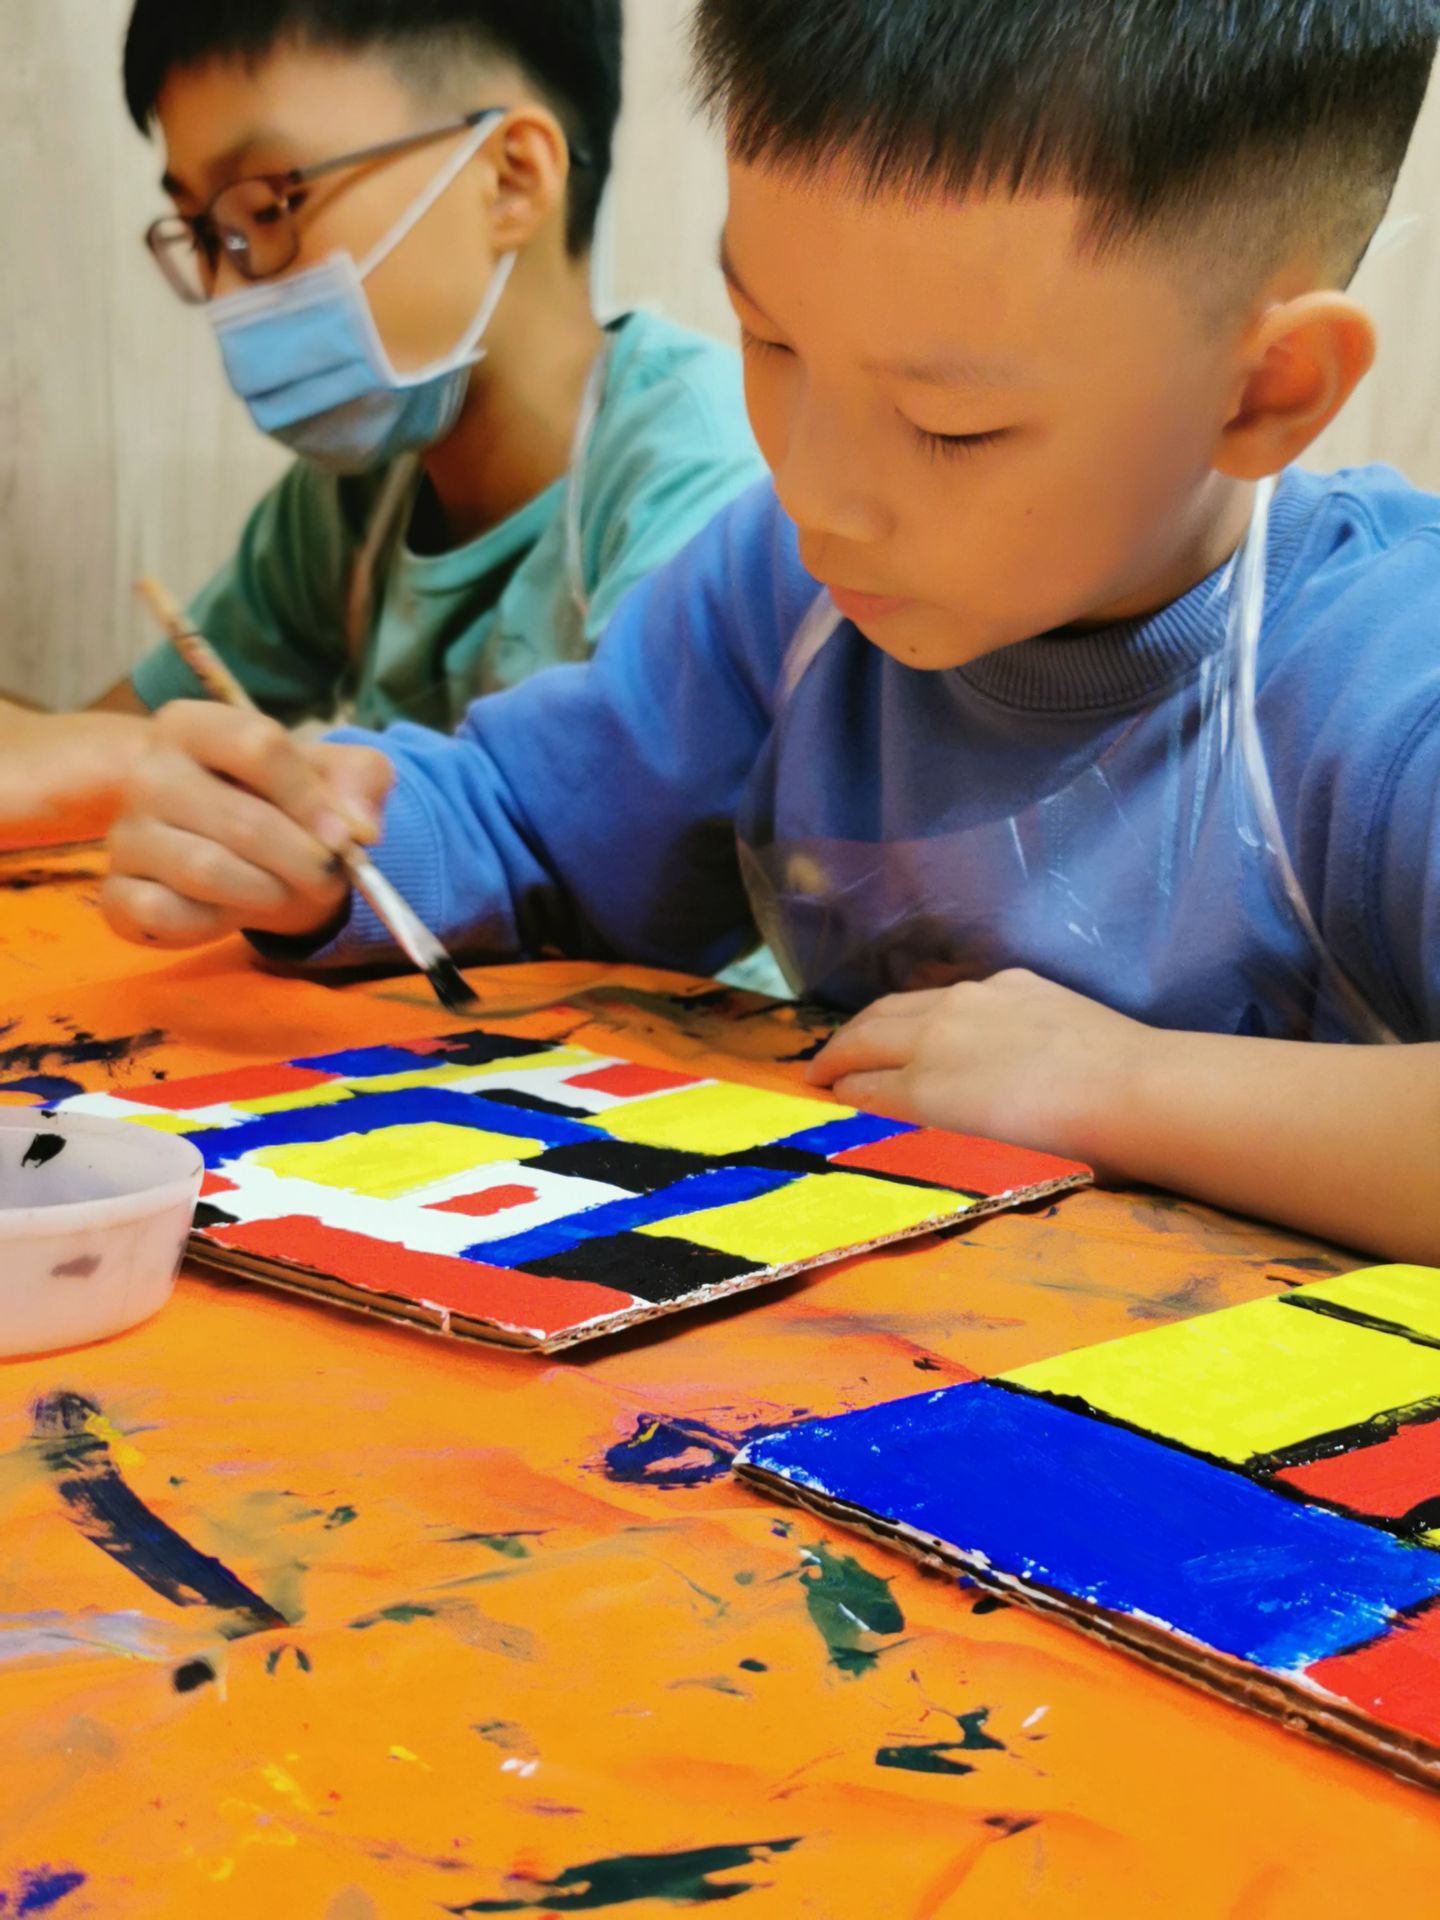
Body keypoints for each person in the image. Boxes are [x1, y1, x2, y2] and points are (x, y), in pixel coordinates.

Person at [101, 0, 1440, 1263]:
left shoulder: (1386, 685)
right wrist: (320, 843)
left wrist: (1123, 1088)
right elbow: (529, 830)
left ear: (1264, 391)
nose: (815, 492)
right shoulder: (786, 593)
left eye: (950, 426)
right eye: (769, 342)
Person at [1, 0, 762, 839]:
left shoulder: (703, 479)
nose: (226, 294)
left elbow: (615, 847)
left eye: (269, 209)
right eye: (203, 233)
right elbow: (117, 736)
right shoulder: (354, 501)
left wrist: (126, 767)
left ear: (511, 178)